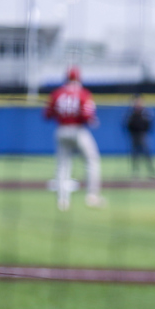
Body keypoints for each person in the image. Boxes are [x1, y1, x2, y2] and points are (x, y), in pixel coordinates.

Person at [43, 66, 104, 211]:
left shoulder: (56, 94)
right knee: (92, 161)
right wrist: (92, 120)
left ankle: (62, 200)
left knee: (63, 165)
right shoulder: (83, 93)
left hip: (61, 130)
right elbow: (88, 115)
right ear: (78, 78)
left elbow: (47, 114)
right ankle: (92, 196)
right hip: (78, 130)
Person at [123, 95, 155, 179]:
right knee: (135, 154)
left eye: (139, 101)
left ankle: (151, 172)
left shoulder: (146, 112)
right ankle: (135, 172)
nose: (138, 103)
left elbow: (150, 123)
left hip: (143, 134)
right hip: (134, 135)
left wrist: (145, 131)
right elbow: (127, 124)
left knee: (147, 153)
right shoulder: (130, 112)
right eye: (136, 101)